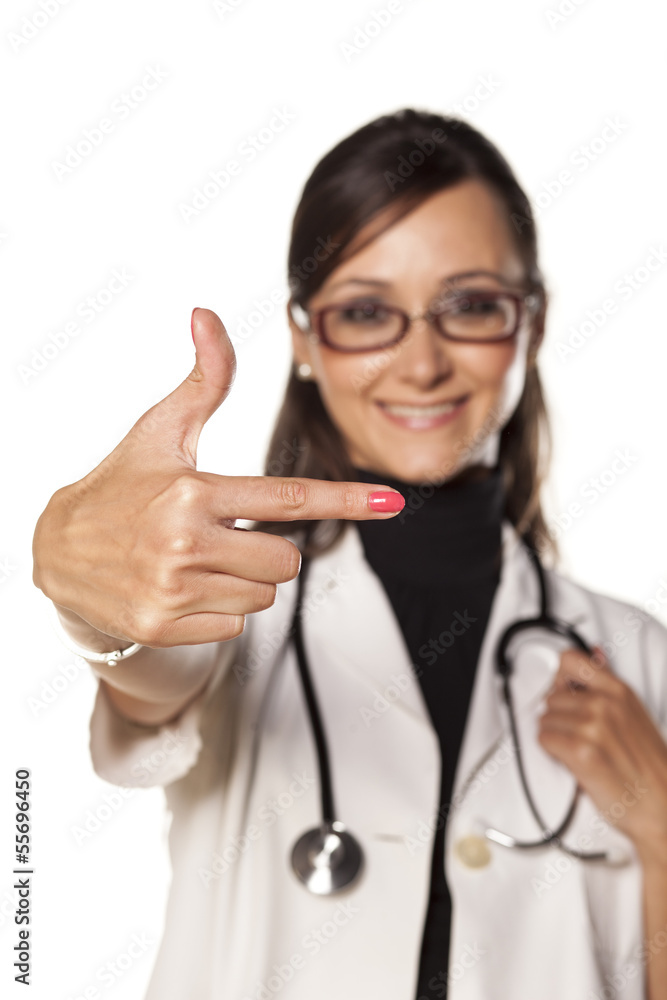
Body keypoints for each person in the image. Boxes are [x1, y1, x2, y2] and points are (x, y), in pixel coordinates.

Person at [33, 109, 667, 1000]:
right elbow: (144, 675)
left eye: (472, 305)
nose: (421, 362)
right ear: (302, 337)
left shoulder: (638, 658)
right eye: (366, 312)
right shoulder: (233, 600)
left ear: (530, 321)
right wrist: (85, 592)